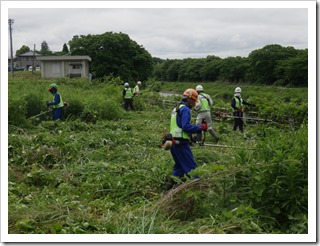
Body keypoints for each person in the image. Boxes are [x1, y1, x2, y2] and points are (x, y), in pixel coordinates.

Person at [169, 88, 208, 180]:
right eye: (194, 101)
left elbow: (179, 125)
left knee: (179, 168)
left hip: (173, 142)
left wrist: (190, 136)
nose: (194, 103)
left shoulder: (176, 108)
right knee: (192, 168)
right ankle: (197, 186)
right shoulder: (185, 109)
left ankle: (171, 186)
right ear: (190, 99)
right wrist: (200, 128)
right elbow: (185, 126)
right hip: (181, 144)